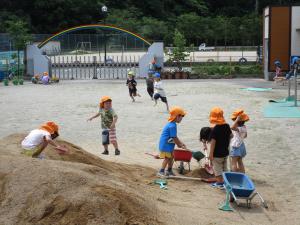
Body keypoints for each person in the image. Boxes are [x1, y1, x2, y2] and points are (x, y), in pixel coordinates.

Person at [157, 106, 187, 177]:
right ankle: (161, 171)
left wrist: (181, 143)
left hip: (168, 144)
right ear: (177, 116)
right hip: (166, 145)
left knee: (171, 157)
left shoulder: (171, 124)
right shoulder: (172, 126)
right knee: (167, 158)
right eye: (182, 116)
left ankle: (169, 171)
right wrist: (179, 145)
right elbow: (174, 137)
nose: (182, 118)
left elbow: (175, 136)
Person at [209, 107, 232, 184]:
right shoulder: (227, 126)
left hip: (217, 155)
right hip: (225, 152)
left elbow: (213, 143)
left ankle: (219, 182)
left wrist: (211, 154)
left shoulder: (215, 129)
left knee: (217, 170)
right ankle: (226, 182)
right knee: (225, 168)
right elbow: (231, 135)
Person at [230, 109, 249, 173]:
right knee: (240, 161)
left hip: (236, 146)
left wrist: (237, 119)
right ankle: (243, 174)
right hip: (241, 145)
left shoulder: (239, 128)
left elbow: (232, 127)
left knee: (233, 162)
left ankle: (234, 175)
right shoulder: (244, 127)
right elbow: (245, 136)